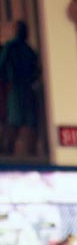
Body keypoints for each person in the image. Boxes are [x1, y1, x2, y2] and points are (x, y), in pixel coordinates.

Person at [0, 21, 40, 157]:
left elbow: (1, 66)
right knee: (23, 122)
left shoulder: (11, 47)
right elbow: (36, 72)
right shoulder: (28, 50)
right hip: (24, 89)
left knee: (14, 121)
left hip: (16, 89)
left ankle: (9, 151)